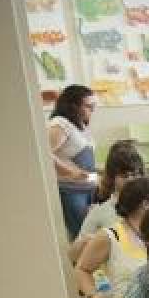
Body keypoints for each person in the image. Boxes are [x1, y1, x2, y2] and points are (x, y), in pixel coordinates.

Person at [70, 140, 144, 262]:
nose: (131, 180)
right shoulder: (100, 212)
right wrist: (88, 241)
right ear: (112, 177)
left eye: (135, 174)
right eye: (125, 176)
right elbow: (73, 255)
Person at [48, 84, 98, 239]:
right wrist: (70, 172)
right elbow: (45, 154)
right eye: (88, 106)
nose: (92, 110)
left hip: (87, 188)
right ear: (73, 105)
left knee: (89, 233)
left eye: (93, 105)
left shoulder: (79, 125)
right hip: (71, 191)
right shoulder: (60, 124)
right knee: (81, 236)